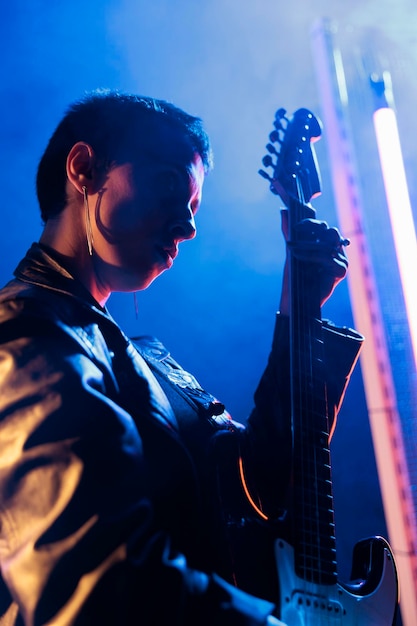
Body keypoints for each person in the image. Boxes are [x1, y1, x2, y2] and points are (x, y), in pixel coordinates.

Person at [0, 90, 363, 625]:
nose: (188, 227)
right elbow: (96, 584)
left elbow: (256, 483)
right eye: (169, 184)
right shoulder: (26, 335)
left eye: (193, 209)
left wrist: (300, 303)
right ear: (83, 168)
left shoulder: (143, 361)